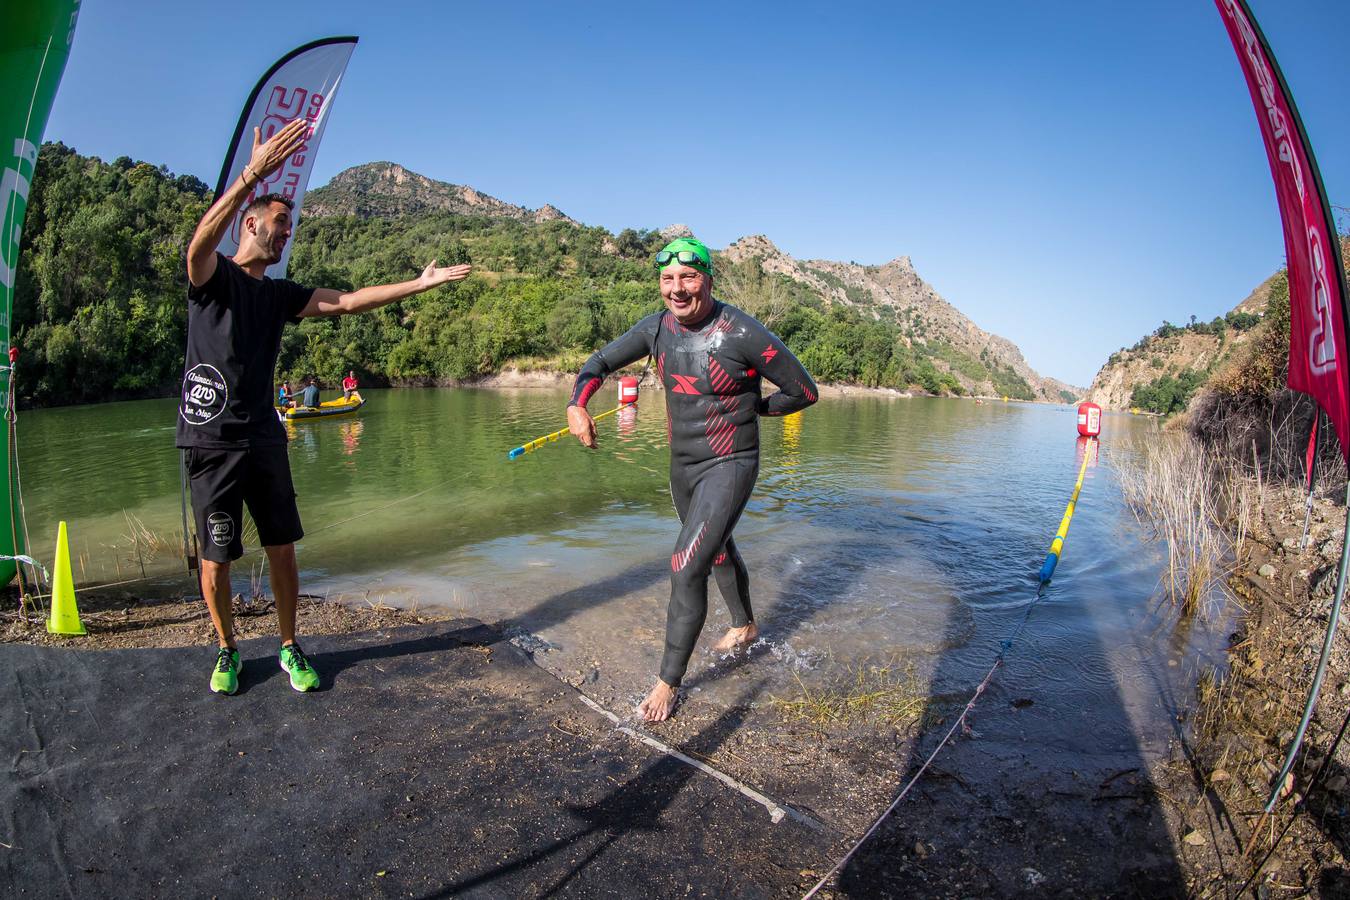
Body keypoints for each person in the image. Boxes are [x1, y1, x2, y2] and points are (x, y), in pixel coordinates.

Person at [179, 116, 471, 695]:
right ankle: (227, 649)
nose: (286, 234)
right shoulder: (212, 278)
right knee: (216, 561)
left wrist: (419, 284)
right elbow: (198, 243)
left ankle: (290, 645)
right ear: (251, 222)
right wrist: (251, 174)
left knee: (283, 548)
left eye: (290, 227)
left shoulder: (279, 294)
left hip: (263, 435)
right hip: (210, 440)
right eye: (279, 224)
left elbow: (348, 302)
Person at [566, 237, 817, 721]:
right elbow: (596, 364)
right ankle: (744, 626)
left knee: (685, 564)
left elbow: (804, 390)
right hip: (683, 466)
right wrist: (578, 405)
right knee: (716, 548)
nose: (677, 290)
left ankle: (668, 682)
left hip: (731, 462)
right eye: (667, 279)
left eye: (688, 277)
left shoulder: (742, 332)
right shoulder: (657, 329)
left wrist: (757, 408)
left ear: (707, 279)